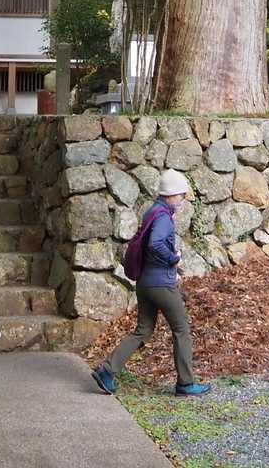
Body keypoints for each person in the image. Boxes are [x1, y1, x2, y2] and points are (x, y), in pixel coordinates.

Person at [92, 169, 210, 397]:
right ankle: (186, 384)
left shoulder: (152, 211)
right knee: (181, 330)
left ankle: (107, 370)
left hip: (145, 283)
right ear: (171, 194)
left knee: (143, 331)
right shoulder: (163, 217)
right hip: (161, 285)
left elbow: (150, 245)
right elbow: (155, 244)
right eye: (182, 195)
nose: (183, 200)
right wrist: (173, 258)